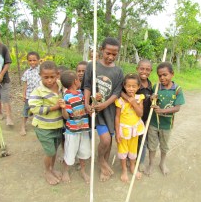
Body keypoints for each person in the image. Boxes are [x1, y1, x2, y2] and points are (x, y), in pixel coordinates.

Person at [83, 37, 124, 181]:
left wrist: (105, 104)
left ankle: (103, 165)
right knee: (105, 140)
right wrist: (86, 103)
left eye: (114, 54)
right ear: (101, 50)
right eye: (108, 53)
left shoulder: (118, 71)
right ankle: (101, 160)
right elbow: (87, 86)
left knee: (109, 139)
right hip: (96, 111)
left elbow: (117, 92)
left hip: (109, 111)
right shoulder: (92, 66)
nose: (111, 57)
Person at [145, 62, 185, 176]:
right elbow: (152, 100)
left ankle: (162, 163)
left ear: (172, 74)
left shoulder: (177, 89)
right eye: (159, 75)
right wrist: (153, 98)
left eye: (165, 75)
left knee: (164, 146)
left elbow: (177, 108)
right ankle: (151, 164)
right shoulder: (156, 87)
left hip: (166, 125)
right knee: (152, 145)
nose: (162, 78)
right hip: (153, 123)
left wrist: (162, 111)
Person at [28, 61, 64, 185]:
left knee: (54, 149)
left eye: (52, 77)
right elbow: (34, 109)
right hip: (43, 127)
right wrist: (54, 108)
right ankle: (47, 172)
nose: (49, 80)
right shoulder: (38, 91)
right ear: (40, 76)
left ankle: (52, 168)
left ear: (57, 75)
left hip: (58, 125)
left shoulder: (61, 86)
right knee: (50, 152)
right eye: (46, 77)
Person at [58, 70, 91, 183]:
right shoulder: (67, 97)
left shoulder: (81, 94)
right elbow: (66, 117)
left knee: (84, 151)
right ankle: (66, 171)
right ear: (75, 81)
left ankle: (82, 170)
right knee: (70, 152)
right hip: (72, 131)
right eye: (78, 78)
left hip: (84, 129)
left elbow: (86, 108)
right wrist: (63, 108)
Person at [115, 73, 145, 182]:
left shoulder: (139, 98)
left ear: (138, 87)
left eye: (134, 86)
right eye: (128, 86)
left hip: (134, 131)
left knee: (133, 150)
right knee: (123, 151)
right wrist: (117, 132)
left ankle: (132, 167)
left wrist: (133, 102)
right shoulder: (120, 101)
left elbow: (140, 113)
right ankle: (124, 170)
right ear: (124, 86)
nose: (131, 89)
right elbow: (117, 117)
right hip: (123, 131)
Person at [20, 51, 41, 136]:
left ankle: (39, 126)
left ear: (38, 60)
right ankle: (22, 127)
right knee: (26, 111)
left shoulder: (41, 70)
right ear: (28, 61)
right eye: (30, 60)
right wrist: (24, 94)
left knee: (39, 111)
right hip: (29, 96)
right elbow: (25, 84)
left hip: (39, 96)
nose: (32, 62)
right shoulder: (27, 72)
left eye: (34, 60)